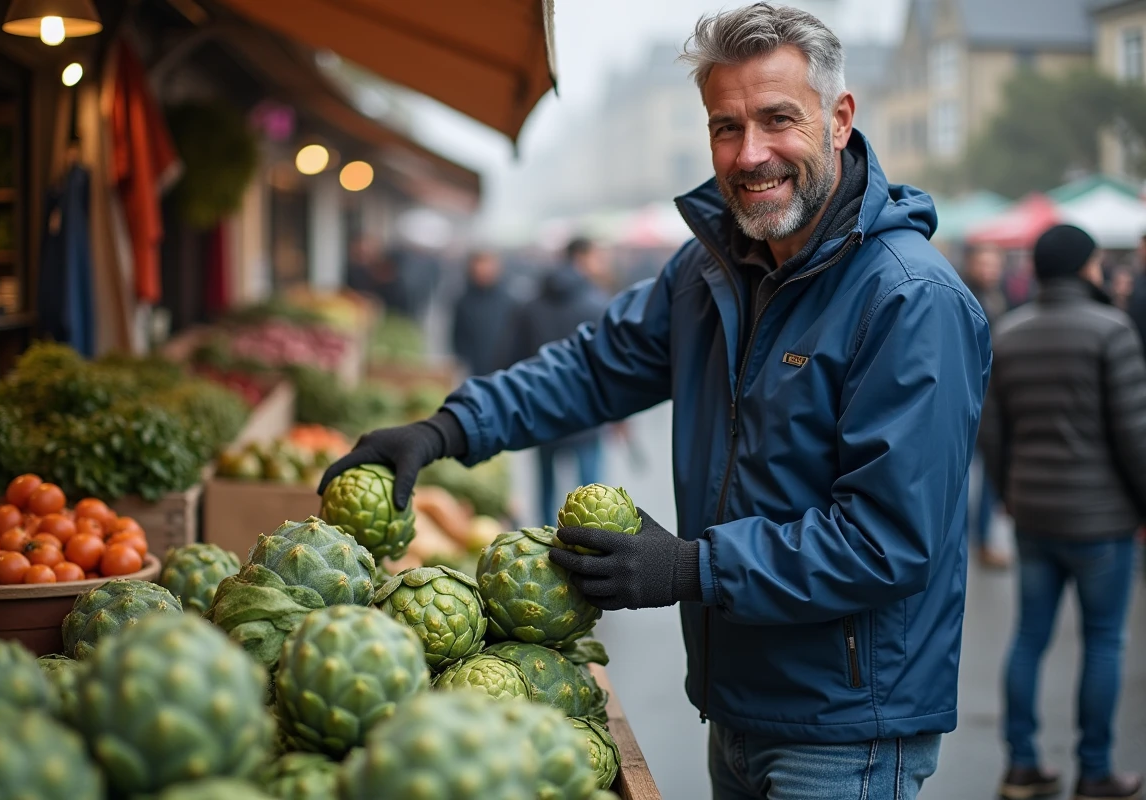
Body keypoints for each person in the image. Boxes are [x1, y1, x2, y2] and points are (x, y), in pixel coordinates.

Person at [320, 5, 990, 798]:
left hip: (847, 731)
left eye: (778, 119)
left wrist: (692, 567)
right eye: (726, 127)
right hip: (736, 704)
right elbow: (592, 369)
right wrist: (450, 428)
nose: (750, 153)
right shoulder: (711, 270)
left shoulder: (909, 299)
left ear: (839, 119)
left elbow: (887, 541)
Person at [980, 224, 1144, 800]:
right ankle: (1094, 771)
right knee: (1103, 641)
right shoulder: (1112, 330)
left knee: (1028, 638)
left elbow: (991, 433)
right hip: (1103, 521)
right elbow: (1135, 435)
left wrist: (1008, 492)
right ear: (1083, 267)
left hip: (1033, 516)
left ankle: (1021, 765)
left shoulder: (1010, 332)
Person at [501, 237, 612, 526]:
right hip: (588, 409)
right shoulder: (597, 304)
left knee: (545, 484)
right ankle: (595, 542)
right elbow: (611, 364)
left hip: (542, 407)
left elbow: (513, 359)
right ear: (581, 257)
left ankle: (545, 537)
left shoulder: (530, 305)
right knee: (593, 493)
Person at [962, 244, 1010, 568]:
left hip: (991, 398)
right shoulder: (968, 296)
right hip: (974, 397)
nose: (989, 270)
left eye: (994, 264)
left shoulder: (995, 297)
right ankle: (973, 541)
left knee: (987, 474)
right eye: (984, 264)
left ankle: (980, 540)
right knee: (969, 474)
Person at [450, 250, 515, 377]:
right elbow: (458, 336)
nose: (484, 271)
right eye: (480, 267)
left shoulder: (509, 301)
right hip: (474, 368)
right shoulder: (463, 301)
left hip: (502, 368)